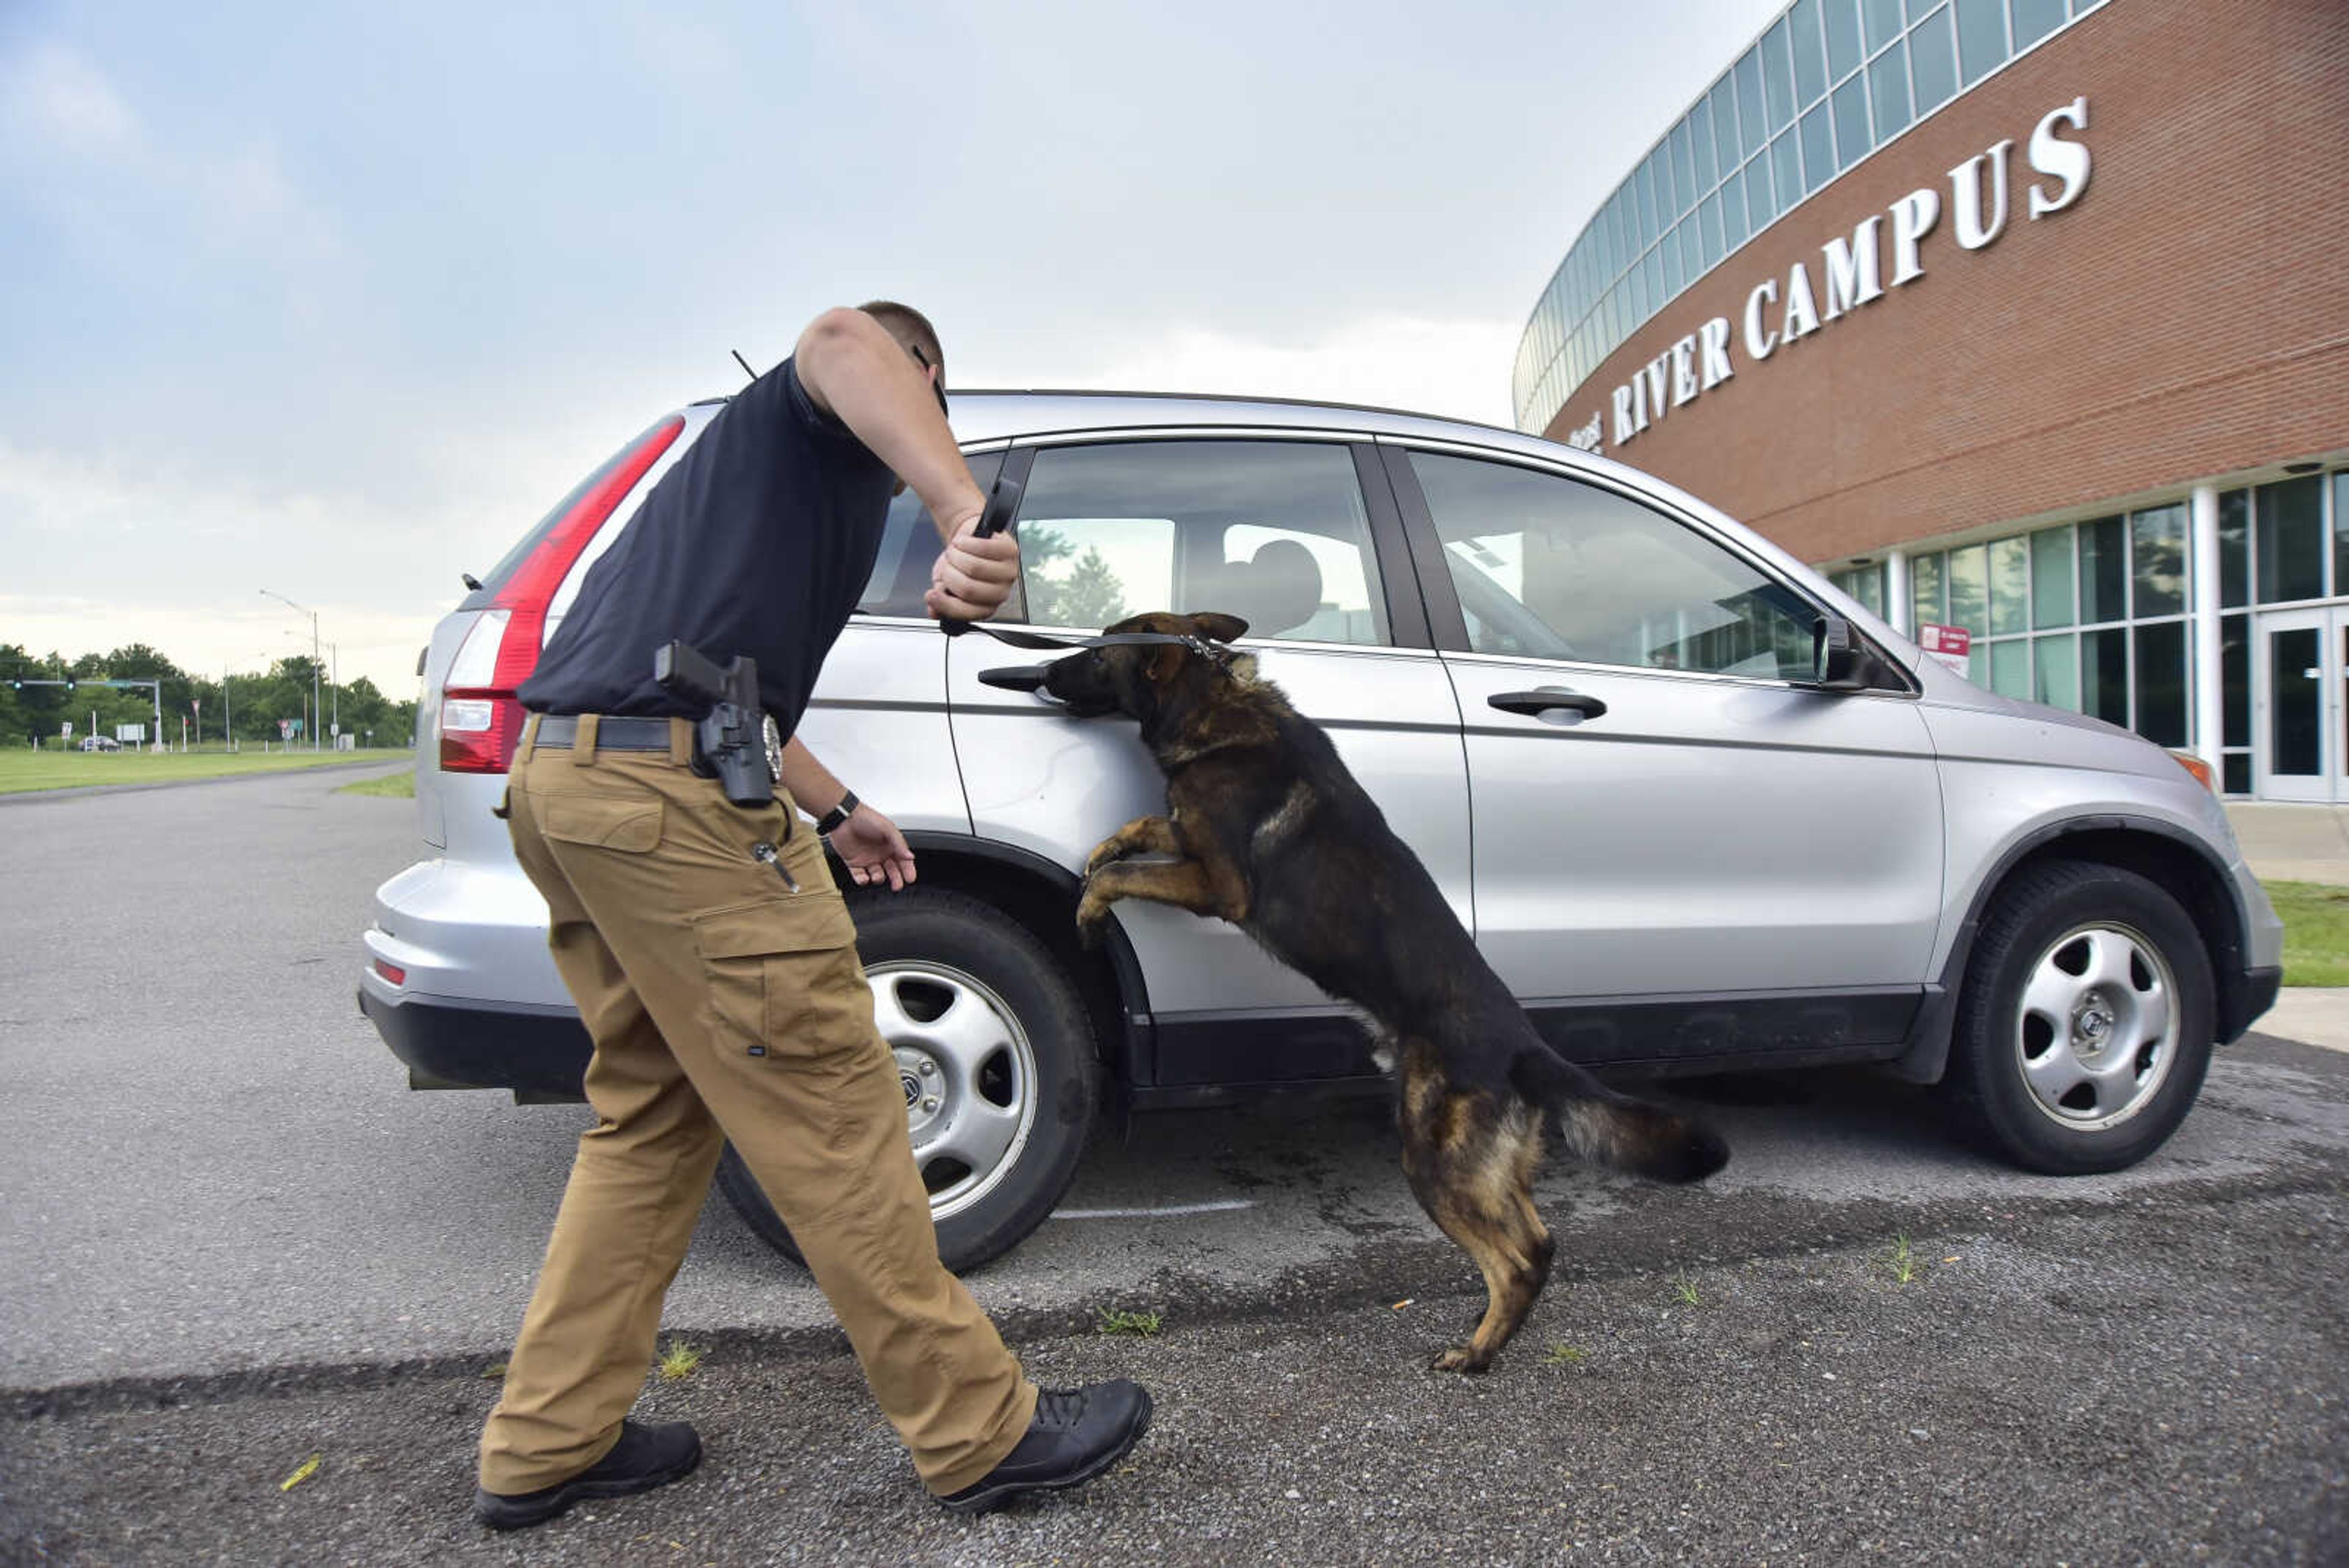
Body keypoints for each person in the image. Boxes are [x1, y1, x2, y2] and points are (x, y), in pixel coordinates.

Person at [471, 302, 1151, 1529]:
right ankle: (979, 1430)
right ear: (922, 376)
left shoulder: (753, 493)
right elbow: (844, 334)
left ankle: (548, 1438)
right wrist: (957, 510)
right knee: (837, 1109)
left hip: (572, 785)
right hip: (661, 805)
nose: (923, 426)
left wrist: (839, 811)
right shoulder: (830, 394)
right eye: (930, 399)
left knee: (653, 1115)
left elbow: (718, 692)